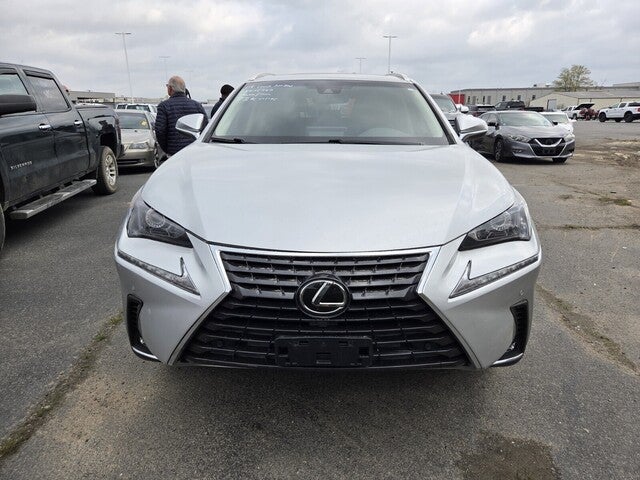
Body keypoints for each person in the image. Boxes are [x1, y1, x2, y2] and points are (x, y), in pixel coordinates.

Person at [155, 76, 207, 157]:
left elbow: (160, 130)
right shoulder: (197, 105)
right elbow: (205, 128)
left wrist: (167, 148)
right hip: (194, 150)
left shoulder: (164, 106)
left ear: (170, 89)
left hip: (174, 152)